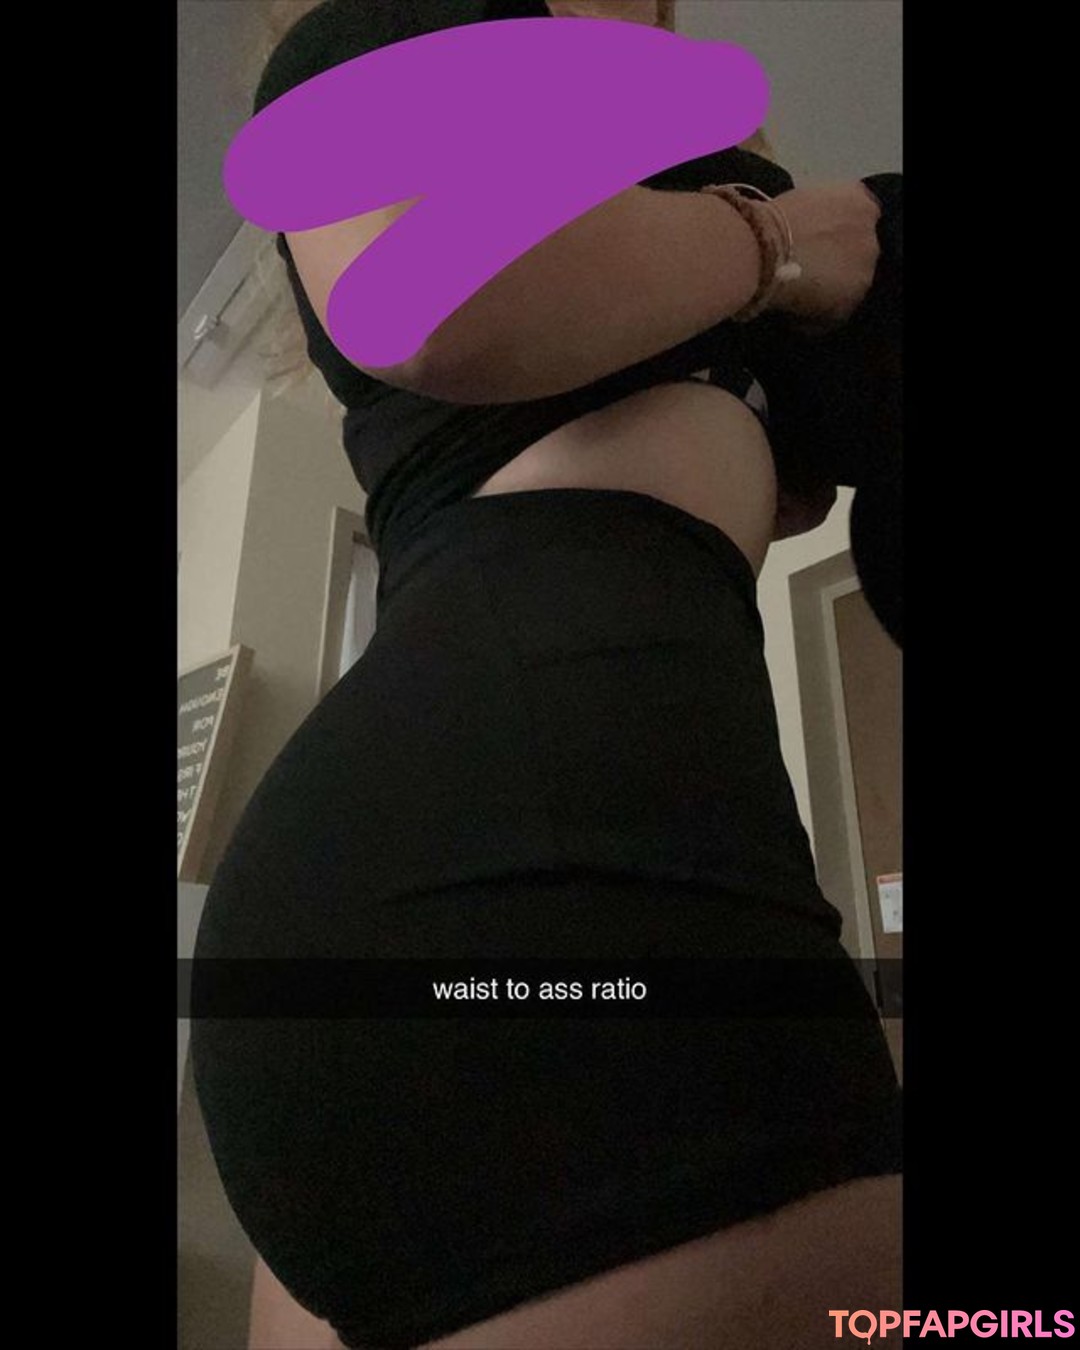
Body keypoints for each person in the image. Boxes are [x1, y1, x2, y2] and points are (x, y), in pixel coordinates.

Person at [191, 2, 903, 1347]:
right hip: (531, 866)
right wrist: (788, 237)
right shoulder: (379, 27)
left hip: (497, 874)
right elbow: (418, 293)